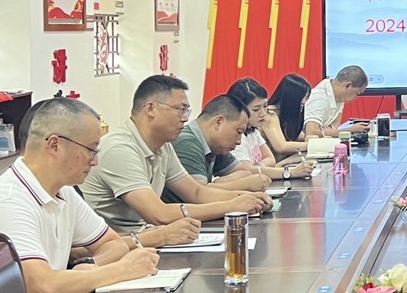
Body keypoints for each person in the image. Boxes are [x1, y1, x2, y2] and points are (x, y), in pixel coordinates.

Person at [0, 98, 181, 293]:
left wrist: (89, 266)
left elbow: (114, 244)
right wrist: (122, 269)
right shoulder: (9, 199)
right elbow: (42, 287)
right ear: (55, 145)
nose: (95, 161)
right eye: (91, 149)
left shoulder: (64, 190)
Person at [81, 75, 272, 232]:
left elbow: (196, 192)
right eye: (180, 110)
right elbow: (158, 214)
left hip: (150, 236)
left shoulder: (163, 146)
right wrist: (231, 206)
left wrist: (245, 198)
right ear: (151, 108)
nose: (185, 119)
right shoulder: (119, 149)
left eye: (186, 111)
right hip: (119, 246)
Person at [162, 94, 273, 201]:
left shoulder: (215, 145)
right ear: (218, 122)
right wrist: (245, 184)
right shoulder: (186, 143)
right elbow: (199, 194)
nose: (239, 141)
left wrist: (216, 184)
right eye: (238, 132)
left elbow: (244, 172)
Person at [227, 78, 315, 180]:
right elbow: (248, 171)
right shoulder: (235, 137)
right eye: (256, 109)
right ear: (238, 109)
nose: (263, 113)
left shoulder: (253, 131)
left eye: (265, 106)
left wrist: (258, 167)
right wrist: (290, 172)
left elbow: (271, 160)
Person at [303, 65, 368, 139]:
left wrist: (325, 131)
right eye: (357, 93)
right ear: (348, 85)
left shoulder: (338, 96)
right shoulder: (319, 98)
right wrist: (349, 130)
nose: (356, 97)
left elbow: (335, 123)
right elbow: (311, 132)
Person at [265, 73, 311, 158]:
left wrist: (313, 139)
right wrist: (311, 145)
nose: (305, 101)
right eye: (304, 97)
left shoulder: (286, 114)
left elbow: (297, 135)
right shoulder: (269, 114)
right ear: (292, 97)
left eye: (307, 97)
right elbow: (281, 147)